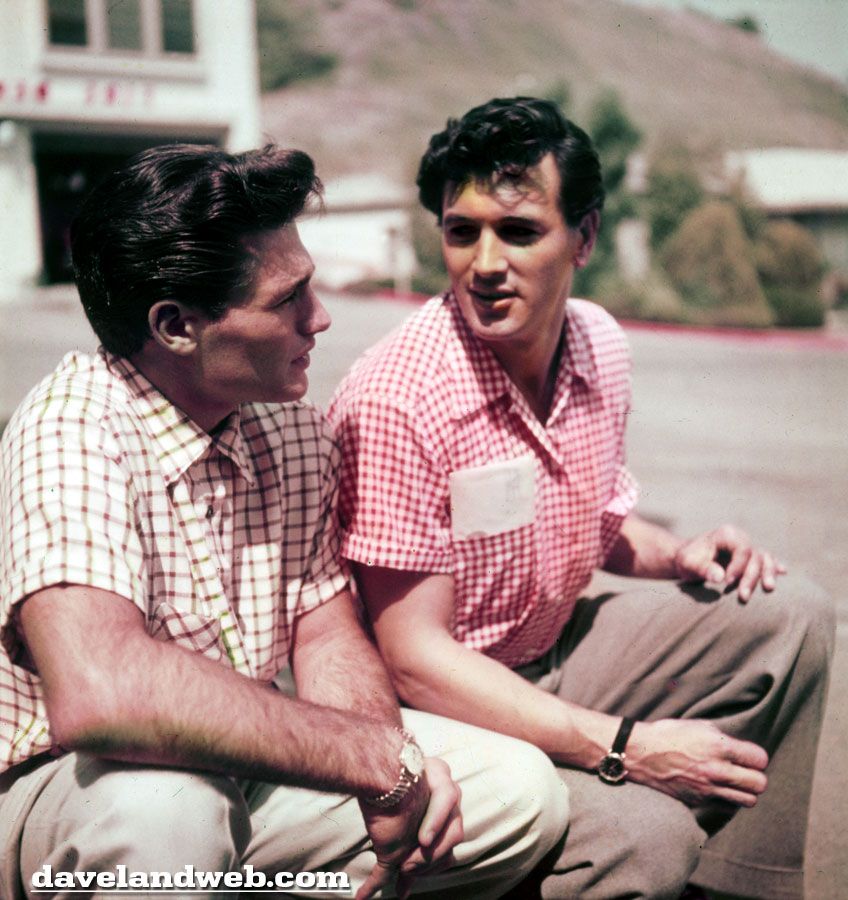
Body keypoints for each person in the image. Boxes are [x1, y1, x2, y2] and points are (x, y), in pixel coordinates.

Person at [0, 143, 570, 900]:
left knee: (520, 788)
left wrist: (384, 762)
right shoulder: (72, 426)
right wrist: (372, 762)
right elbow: (100, 692)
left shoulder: (290, 428)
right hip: (72, 786)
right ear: (176, 326)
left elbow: (325, 633)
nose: (320, 317)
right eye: (286, 299)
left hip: (247, 766)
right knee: (167, 809)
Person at [327, 97, 835, 900]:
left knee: (789, 609)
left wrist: (677, 554)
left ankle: (743, 887)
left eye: (518, 231)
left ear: (584, 238)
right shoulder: (398, 396)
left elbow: (591, 519)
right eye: (462, 231)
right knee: (650, 837)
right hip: (439, 710)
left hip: (553, 654)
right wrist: (627, 747)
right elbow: (413, 662)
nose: (484, 263)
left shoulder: (600, 340)